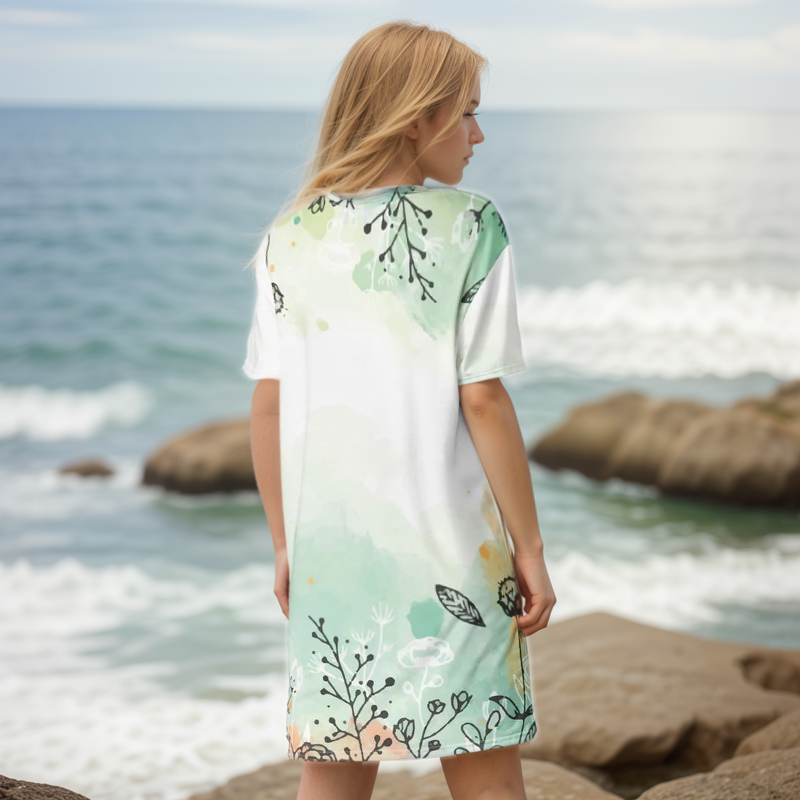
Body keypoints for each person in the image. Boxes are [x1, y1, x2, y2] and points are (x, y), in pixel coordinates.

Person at [243, 19, 557, 800]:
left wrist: (284, 544)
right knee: (487, 775)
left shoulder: (288, 237)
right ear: (417, 117)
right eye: (468, 113)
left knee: (334, 773)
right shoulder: (471, 224)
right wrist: (531, 550)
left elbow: (268, 405)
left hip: (333, 558)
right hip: (455, 557)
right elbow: (483, 399)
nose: (478, 135)